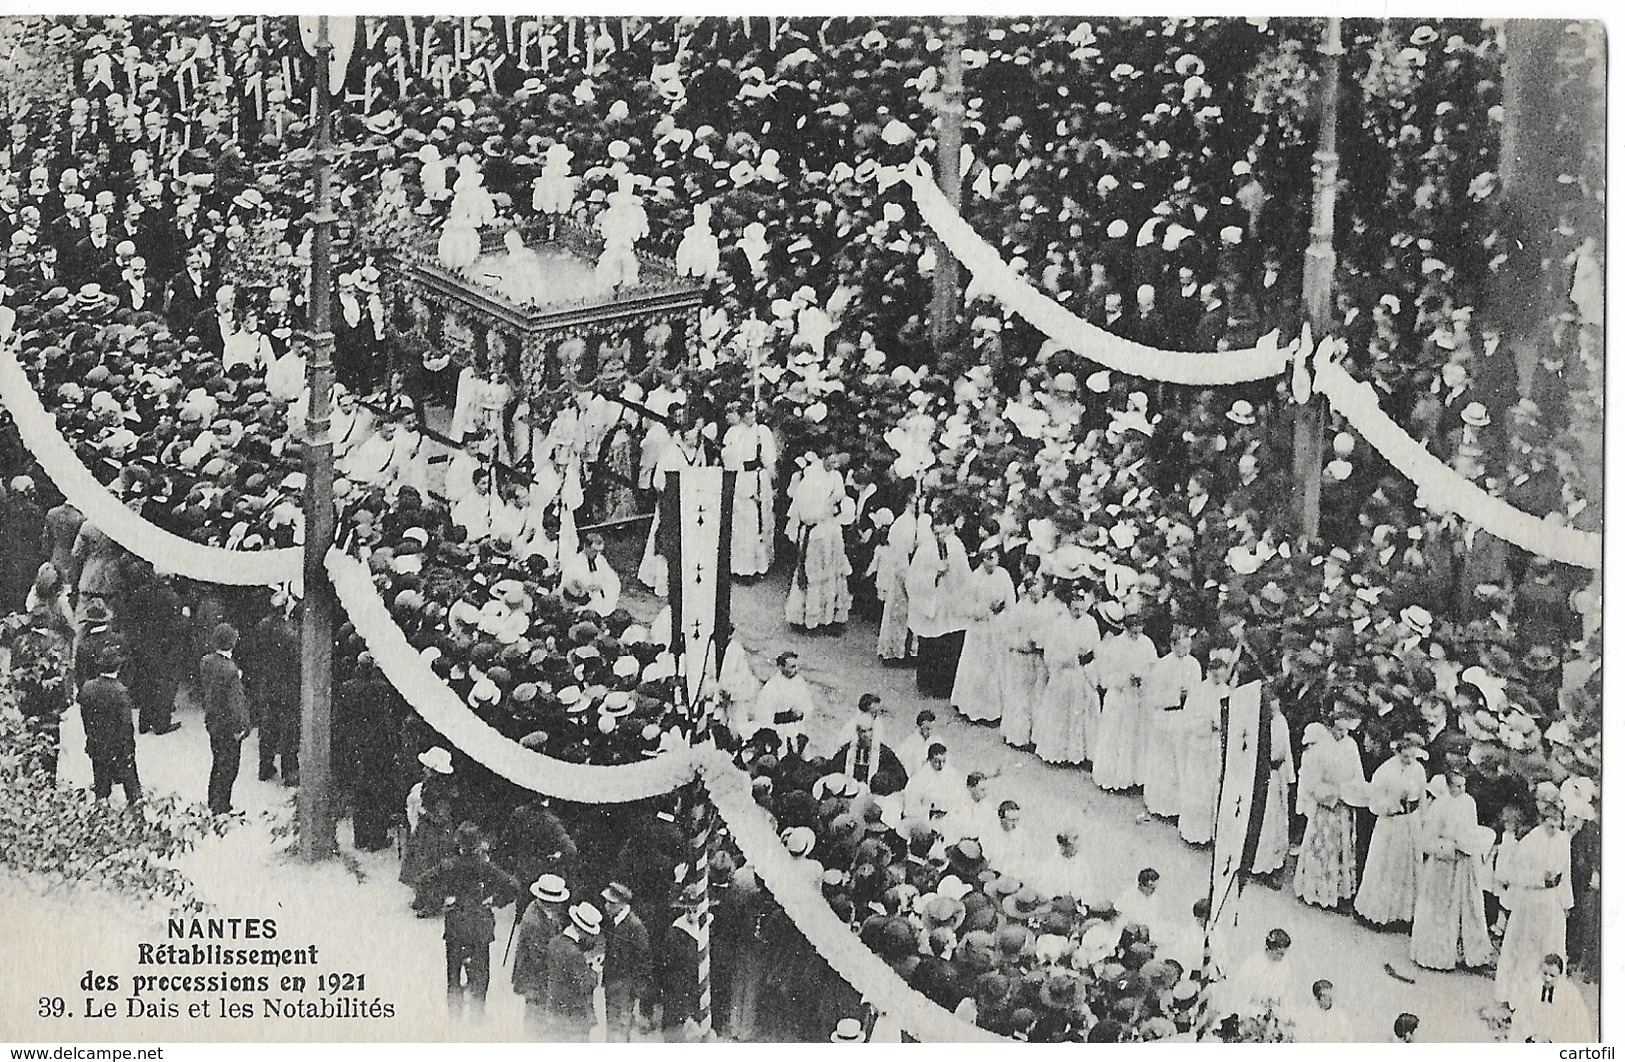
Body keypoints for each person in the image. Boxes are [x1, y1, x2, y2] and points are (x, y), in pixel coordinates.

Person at [416, 822, 521, 1020]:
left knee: (454, 976)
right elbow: (513, 885)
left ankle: (455, 1018)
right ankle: (476, 1018)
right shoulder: (486, 867)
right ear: (479, 844)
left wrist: (441, 900)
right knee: (481, 976)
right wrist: (495, 900)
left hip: (456, 926)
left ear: (459, 844)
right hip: (480, 927)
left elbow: (422, 882)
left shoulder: (449, 865)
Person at [1410, 771, 1495, 971]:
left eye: (1464, 786)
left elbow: (1471, 831)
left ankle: (1471, 955)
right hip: (1443, 866)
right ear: (1448, 787)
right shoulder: (1439, 806)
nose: (1461, 790)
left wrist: (1470, 845)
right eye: (1457, 786)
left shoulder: (1469, 803)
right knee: (1440, 909)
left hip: (1465, 865)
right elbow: (1427, 841)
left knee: (1470, 907)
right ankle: (1436, 955)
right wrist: (1449, 849)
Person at [1495, 798, 1573, 1005]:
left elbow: (1566, 873)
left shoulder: (1564, 840)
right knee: (1528, 951)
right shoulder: (1530, 840)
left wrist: (1566, 903)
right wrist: (1541, 879)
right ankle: (1520, 998)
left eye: (1557, 824)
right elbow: (1516, 875)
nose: (1553, 828)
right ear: (1542, 821)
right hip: (1531, 903)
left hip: (1552, 905)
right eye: (1549, 824)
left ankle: (1547, 998)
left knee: (1550, 948)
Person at [1293, 706, 1368, 909]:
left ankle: (1340, 893)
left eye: (1346, 730)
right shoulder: (1321, 748)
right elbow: (1312, 781)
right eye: (1338, 730)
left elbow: (1357, 775)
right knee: (1323, 849)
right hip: (1326, 808)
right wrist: (1331, 793)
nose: (1342, 734)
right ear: (1330, 727)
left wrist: (1350, 792)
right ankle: (1317, 890)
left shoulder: (1351, 745)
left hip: (1344, 805)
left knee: (1342, 848)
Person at [1354, 733, 1429, 925]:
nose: (1409, 761)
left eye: (1412, 757)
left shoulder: (1419, 770)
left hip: (1409, 824)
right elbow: (1374, 802)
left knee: (1406, 868)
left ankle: (1403, 915)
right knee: (1385, 866)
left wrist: (1423, 821)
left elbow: (1422, 797)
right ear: (1397, 752)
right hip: (1390, 824)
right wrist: (1392, 804)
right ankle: (1379, 914)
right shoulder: (1385, 771)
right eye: (1405, 757)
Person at [783, 452, 854, 633]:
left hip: (831, 530)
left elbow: (841, 497)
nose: (835, 465)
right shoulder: (809, 479)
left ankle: (829, 618)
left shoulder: (836, 476)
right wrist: (825, 510)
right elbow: (806, 514)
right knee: (813, 574)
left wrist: (837, 506)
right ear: (823, 458)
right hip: (815, 532)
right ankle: (808, 617)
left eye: (837, 462)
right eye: (831, 461)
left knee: (833, 572)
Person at [905, 513, 970, 696]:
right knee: (932, 643)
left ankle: (947, 686)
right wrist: (934, 574)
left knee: (949, 644)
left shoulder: (957, 546)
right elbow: (914, 579)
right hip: (932, 602)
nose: (941, 535)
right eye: (937, 530)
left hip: (951, 604)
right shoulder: (925, 549)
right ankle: (928, 684)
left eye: (944, 529)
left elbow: (964, 575)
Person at [1030, 595, 1098, 767]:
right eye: (1075, 609)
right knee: (1061, 710)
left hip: (1083, 674)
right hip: (1064, 674)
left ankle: (1082, 753)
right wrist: (1070, 658)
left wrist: (1088, 657)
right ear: (1068, 607)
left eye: (1082, 609)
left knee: (1084, 711)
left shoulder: (1090, 623)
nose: (1079, 613)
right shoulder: (1059, 624)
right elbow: (1050, 654)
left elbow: (1097, 650)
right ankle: (1059, 752)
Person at [950, 549, 1016, 722]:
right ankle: (976, 707)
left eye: (994, 559)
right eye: (987, 559)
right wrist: (984, 609)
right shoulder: (975, 578)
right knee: (979, 665)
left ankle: (999, 708)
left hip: (998, 628)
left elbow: (1011, 601)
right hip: (979, 630)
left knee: (998, 664)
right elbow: (965, 605)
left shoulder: (1003, 575)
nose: (991, 563)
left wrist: (1002, 609)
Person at [1143, 626, 1200, 818]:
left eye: (1188, 648)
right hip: (1166, 717)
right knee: (1164, 762)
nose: (1185, 653)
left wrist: (1189, 699)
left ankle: (1179, 806)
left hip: (1184, 718)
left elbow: (1197, 691)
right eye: (1182, 648)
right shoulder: (1162, 666)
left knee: (1181, 761)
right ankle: (1161, 804)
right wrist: (1177, 696)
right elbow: (1154, 697)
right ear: (1173, 646)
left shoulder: (1193, 665)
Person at [198, 622, 251, 815]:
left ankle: (214, 802)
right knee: (229, 767)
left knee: (218, 762)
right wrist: (242, 727)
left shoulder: (206, 661)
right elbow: (236, 704)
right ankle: (222, 806)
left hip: (213, 721)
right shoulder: (230, 671)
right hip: (228, 725)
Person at [720, 403, 777, 578]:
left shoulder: (762, 432)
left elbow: (769, 459)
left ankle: (761, 565)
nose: (751, 418)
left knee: (761, 520)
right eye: (747, 415)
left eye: (753, 414)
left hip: (759, 478)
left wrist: (772, 481)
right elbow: (729, 459)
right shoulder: (734, 433)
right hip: (740, 479)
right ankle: (741, 568)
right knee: (741, 524)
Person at [77, 647, 140, 804]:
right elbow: (126, 726)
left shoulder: (87, 687)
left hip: (97, 743)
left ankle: (101, 814)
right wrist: (129, 749)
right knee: (131, 785)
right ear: (118, 667)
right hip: (118, 746)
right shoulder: (120, 692)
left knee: (101, 785)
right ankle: (136, 818)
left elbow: (85, 716)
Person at [510, 874, 572, 1035]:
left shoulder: (546, 912)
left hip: (542, 977)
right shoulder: (534, 921)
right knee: (536, 1020)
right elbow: (539, 956)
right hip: (534, 979)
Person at [600, 881, 652, 1042]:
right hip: (614, 986)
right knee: (613, 1029)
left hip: (625, 990)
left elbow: (643, 964)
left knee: (619, 1032)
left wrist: (637, 996)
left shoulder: (635, 928)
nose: (606, 906)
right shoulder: (615, 921)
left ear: (622, 904)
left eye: (611, 903)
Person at [828, 702, 908, 797]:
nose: (867, 735)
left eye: (870, 730)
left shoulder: (884, 752)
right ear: (857, 732)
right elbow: (834, 772)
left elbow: (900, 776)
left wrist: (883, 780)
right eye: (863, 731)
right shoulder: (847, 751)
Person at [1509, 954, 1591, 1043]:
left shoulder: (1569, 993)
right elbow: (1522, 1014)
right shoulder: (1532, 988)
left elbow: (1574, 1022)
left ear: (1560, 975)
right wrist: (1530, 1033)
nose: (1547, 979)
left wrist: (1554, 1038)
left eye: (1552, 975)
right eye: (1545, 973)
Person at [752, 651, 818, 754]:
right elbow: (762, 714)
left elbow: (808, 706)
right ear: (781, 667)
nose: (796, 670)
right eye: (792, 666)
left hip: (797, 729)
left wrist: (802, 713)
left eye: (796, 666)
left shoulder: (799, 682)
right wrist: (784, 717)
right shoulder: (772, 686)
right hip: (779, 731)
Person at [1225, 928, 1295, 1017]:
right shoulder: (1251, 966)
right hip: (1249, 1018)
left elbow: (1287, 999)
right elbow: (1238, 1001)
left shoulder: (1285, 968)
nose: (1282, 957)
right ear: (1269, 948)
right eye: (1279, 953)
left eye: (1283, 954)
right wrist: (1259, 1013)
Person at [1294, 979, 1352, 1043]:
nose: (1329, 999)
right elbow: (1302, 1038)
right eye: (1324, 996)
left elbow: (1348, 1038)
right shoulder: (1307, 1015)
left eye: (1330, 995)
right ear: (1317, 998)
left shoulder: (1340, 1015)